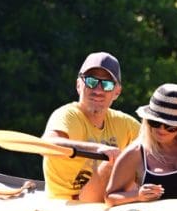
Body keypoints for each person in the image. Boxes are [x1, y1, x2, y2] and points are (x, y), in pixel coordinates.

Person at [41, 52, 140, 200]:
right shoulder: (67, 115)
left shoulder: (124, 123)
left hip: (105, 202)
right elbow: (47, 145)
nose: (98, 90)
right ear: (78, 85)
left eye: (107, 84)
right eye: (91, 81)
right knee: (111, 164)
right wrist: (97, 148)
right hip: (66, 204)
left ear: (117, 92)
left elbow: (155, 143)